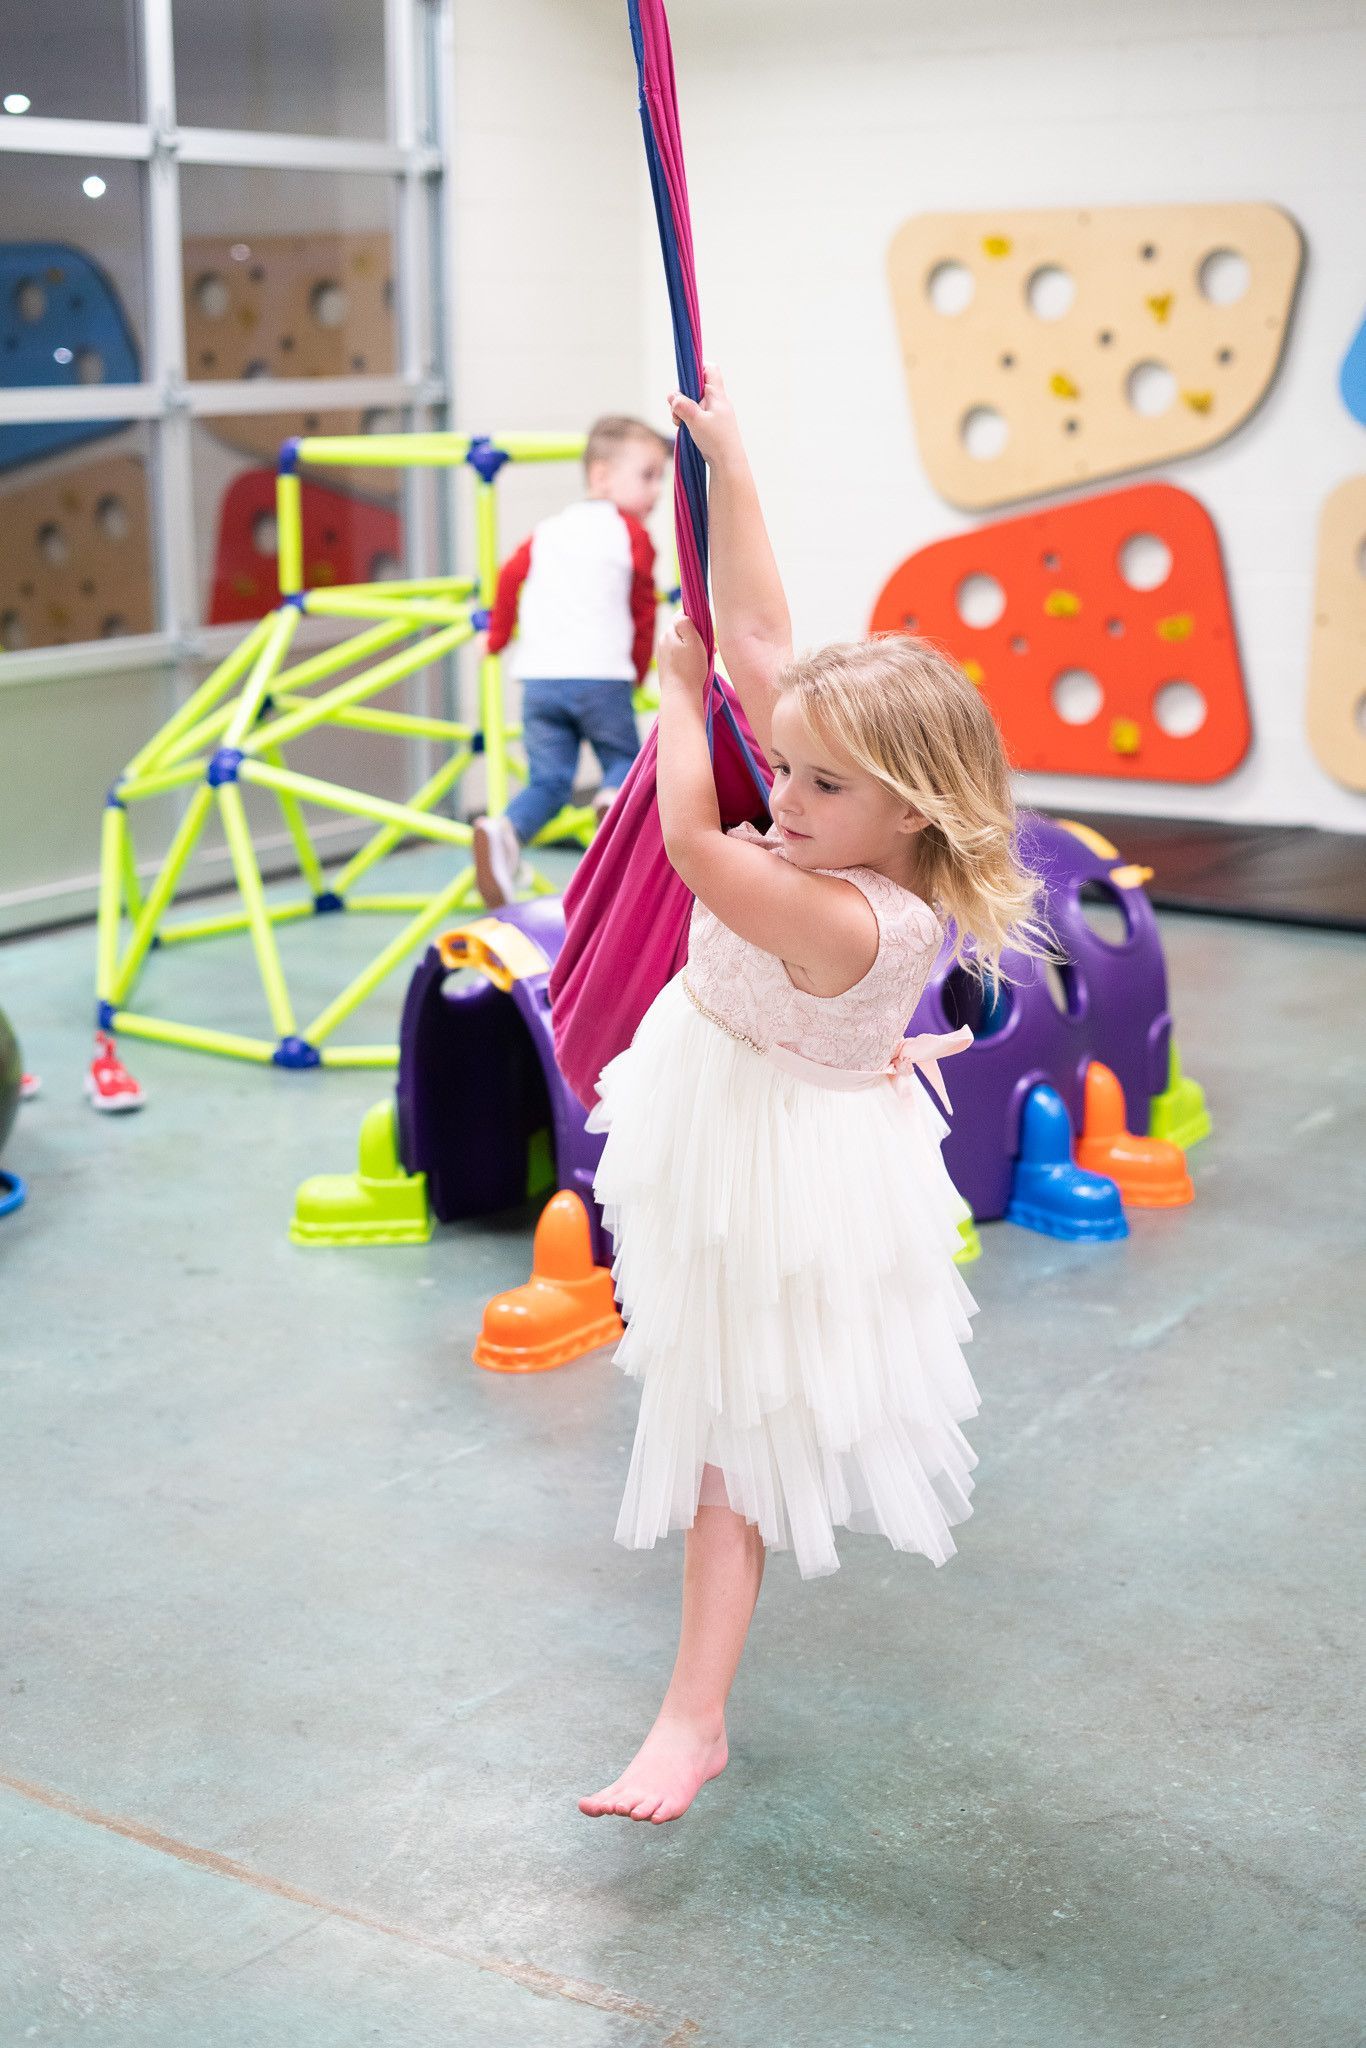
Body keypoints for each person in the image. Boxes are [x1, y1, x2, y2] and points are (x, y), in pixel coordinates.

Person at [578, 368, 1047, 1825]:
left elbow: (694, 845)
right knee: (704, 1394)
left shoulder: (850, 914)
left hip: (780, 1163)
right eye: (782, 766)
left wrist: (669, 700)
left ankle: (689, 1716)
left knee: (729, 1440)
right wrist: (728, 466)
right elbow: (764, 632)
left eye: (815, 787)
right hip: (716, 1094)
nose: (783, 792)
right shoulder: (847, 787)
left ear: (906, 809)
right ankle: (690, 1707)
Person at [472, 416, 671, 907]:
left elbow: (508, 578)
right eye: (647, 476)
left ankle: (506, 832)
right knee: (624, 761)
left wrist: (495, 639)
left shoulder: (548, 529)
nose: (658, 492)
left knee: (549, 780)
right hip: (601, 679)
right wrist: (639, 668)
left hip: (538, 680)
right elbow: (642, 610)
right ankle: (610, 804)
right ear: (601, 475)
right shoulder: (634, 536)